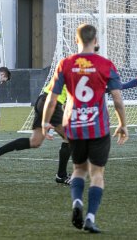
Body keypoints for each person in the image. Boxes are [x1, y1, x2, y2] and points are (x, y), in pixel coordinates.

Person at [42, 24, 128, 233]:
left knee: (79, 170)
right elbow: (117, 99)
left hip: (74, 125)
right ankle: (90, 217)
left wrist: (45, 122)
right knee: (97, 173)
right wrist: (123, 124)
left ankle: (77, 203)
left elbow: (52, 100)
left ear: (76, 39)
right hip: (97, 126)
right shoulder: (106, 64)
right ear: (95, 41)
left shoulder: (66, 64)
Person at [0, 80, 73, 184]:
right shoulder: (76, 70)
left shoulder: (70, 68)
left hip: (43, 100)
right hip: (51, 103)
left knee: (35, 142)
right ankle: (61, 175)